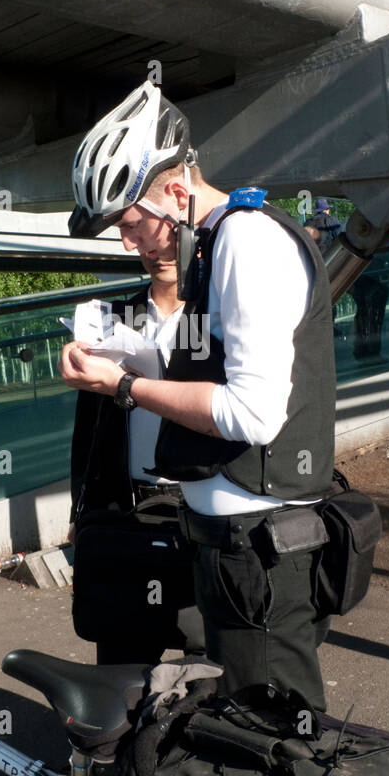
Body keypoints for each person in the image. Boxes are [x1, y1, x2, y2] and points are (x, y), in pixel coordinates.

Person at [60, 81, 335, 709]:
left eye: (132, 225)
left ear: (177, 193)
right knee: (241, 730)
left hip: (259, 546)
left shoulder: (245, 241)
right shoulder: (218, 244)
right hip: (235, 541)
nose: (130, 244)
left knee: (270, 739)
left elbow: (252, 414)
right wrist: (123, 358)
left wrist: (125, 385)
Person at [68, 253, 204, 666]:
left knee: (209, 659)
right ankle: (125, 732)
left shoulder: (217, 316)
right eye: (142, 239)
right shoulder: (114, 320)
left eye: (171, 242)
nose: (158, 254)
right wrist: (81, 508)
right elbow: (88, 426)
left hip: (201, 505)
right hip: (125, 507)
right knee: (121, 657)